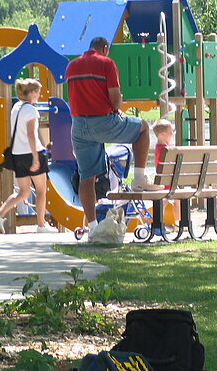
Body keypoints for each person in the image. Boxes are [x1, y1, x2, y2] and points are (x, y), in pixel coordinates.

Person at [66, 36, 160, 237]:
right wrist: (118, 105)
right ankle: (139, 179)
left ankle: (92, 228)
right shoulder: (107, 63)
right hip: (103, 122)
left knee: (86, 178)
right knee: (143, 128)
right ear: (105, 48)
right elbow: (116, 102)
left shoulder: (72, 66)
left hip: (78, 126)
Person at [0, 78, 56, 234]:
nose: (39, 95)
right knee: (41, 191)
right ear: (32, 93)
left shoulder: (16, 108)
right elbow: (31, 135)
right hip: (32, 153)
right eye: (38, 92)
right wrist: (35, 157)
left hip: (17, 154)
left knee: (23, 192)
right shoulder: (31, 110)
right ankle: (41, 225)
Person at [153, 119, 179, 225]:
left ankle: (160, 223)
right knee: (177, 200)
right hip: (169, 180)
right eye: (170, 132)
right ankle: (178, 222)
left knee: (164, 202)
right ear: (162, 134)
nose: (172, 134)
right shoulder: (166, 150)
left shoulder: (157, 148)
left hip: (162, 180)